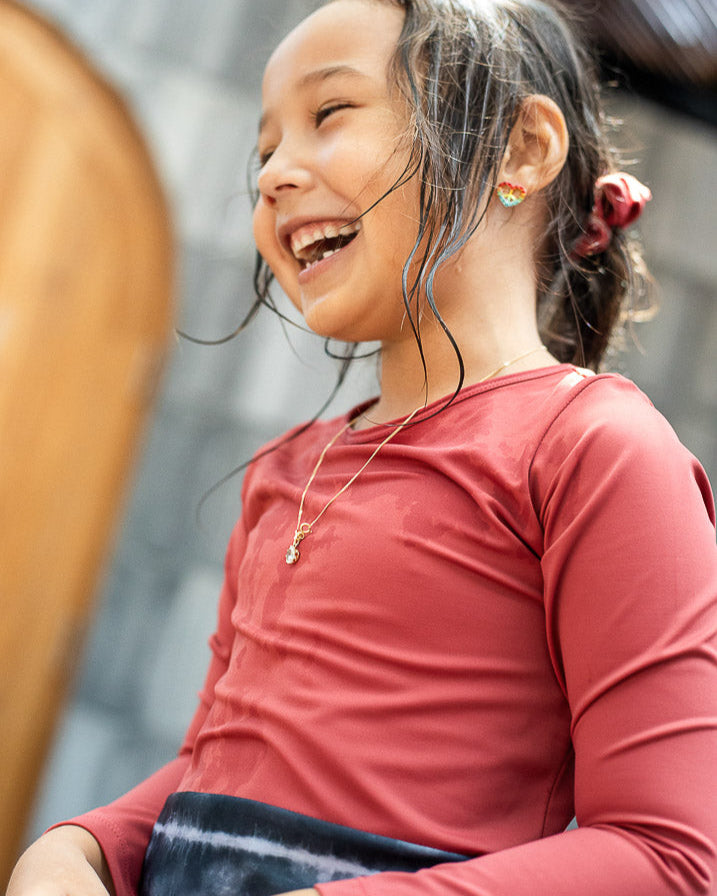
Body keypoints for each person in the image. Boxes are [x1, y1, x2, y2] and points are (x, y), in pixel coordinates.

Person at [8, 0, 717, 894]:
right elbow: (214, 767)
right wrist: (81, 846)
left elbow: (667, 856)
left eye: (328, 114)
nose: (272, 176)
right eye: (264, 149)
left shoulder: (594, 451)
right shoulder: (284, 471)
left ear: (519, 150)